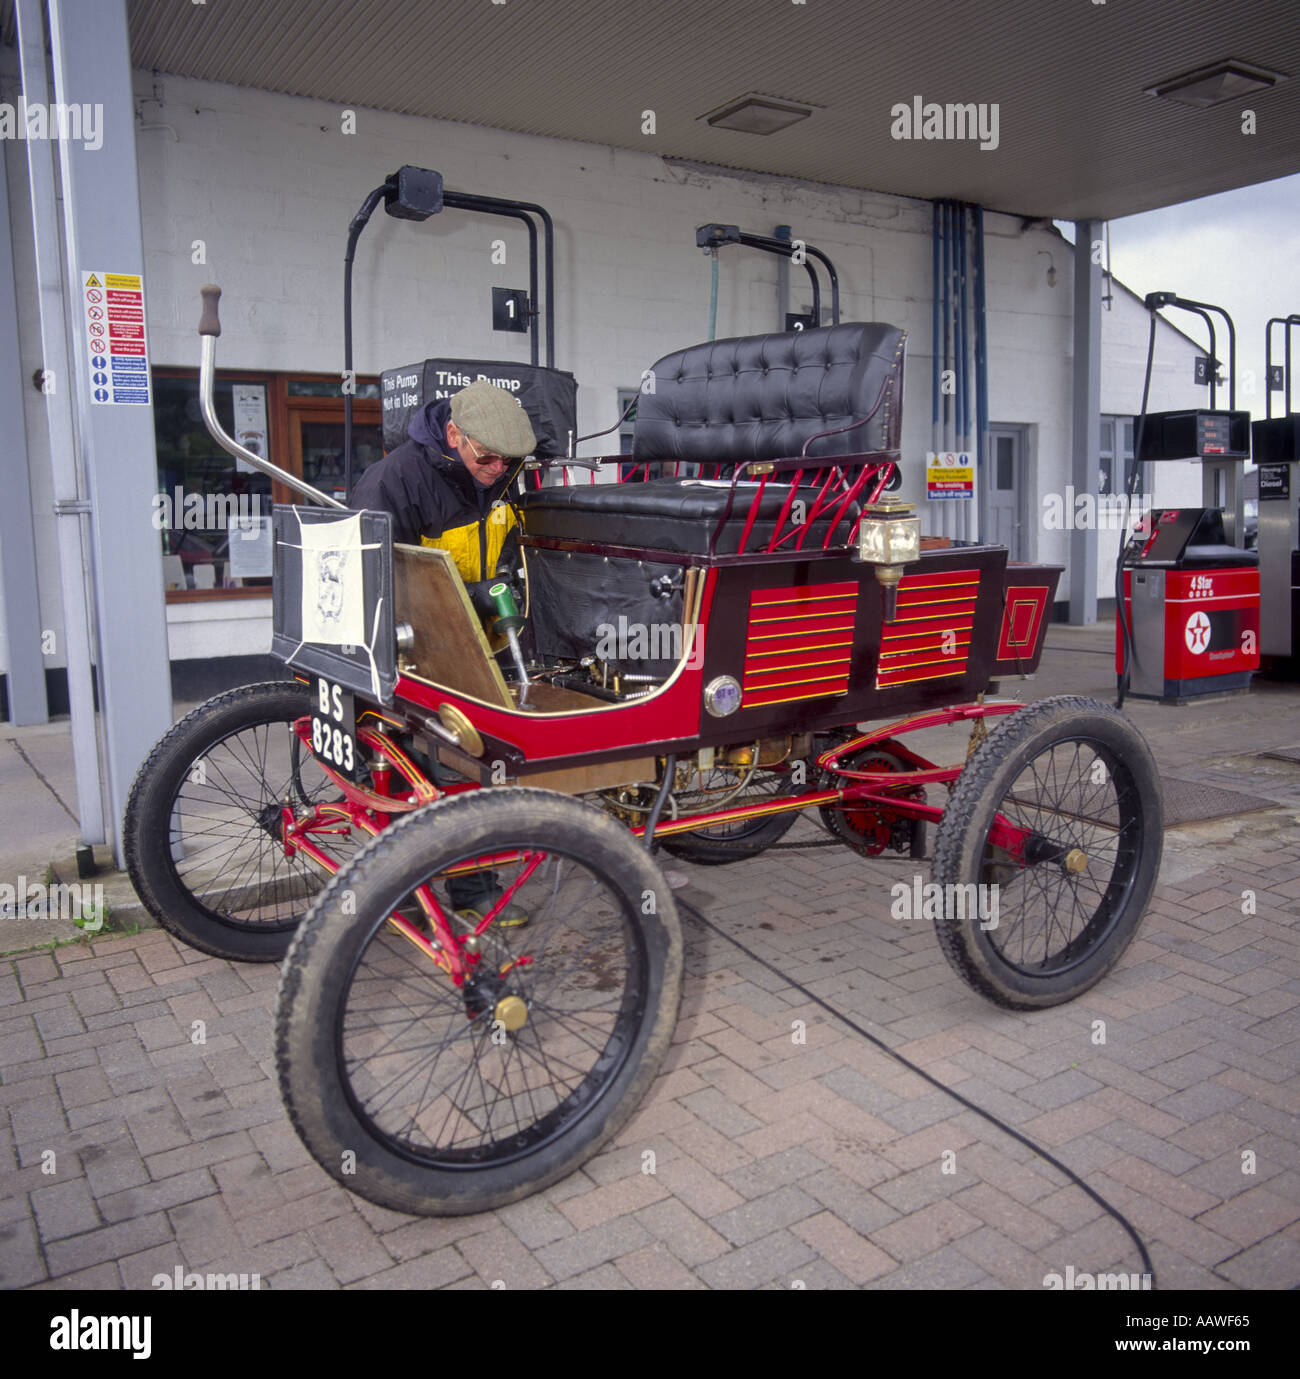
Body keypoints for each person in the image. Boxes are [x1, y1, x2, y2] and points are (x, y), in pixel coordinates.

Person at [351, 380, 538, 927]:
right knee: (443, 767)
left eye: (511, 461)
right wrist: (460, 597)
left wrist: (505, 586)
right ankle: (464, 893)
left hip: (481, 640)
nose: (499, 469)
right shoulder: (394, 482)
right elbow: (375, 583)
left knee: (483, 764)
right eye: (488, 457)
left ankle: (456, 882)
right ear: (454, 435)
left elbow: (508, 543)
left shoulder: (502, 475)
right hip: (412, 648)